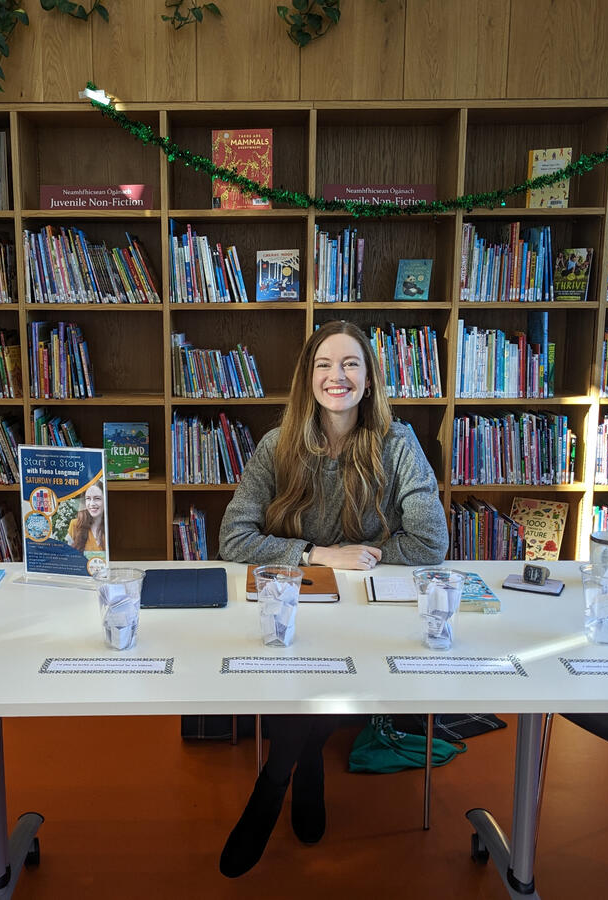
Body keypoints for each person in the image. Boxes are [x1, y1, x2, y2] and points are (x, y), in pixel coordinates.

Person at [217, 319, 449, 877]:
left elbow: (430, 541)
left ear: (368, 380)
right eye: (324, 364)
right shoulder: (278, 446)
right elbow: (232, 538)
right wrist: (319, 553)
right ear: (308, 379)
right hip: (297, 605)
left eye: (349, 364)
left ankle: (275, 780)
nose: (336, 376)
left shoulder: (398, 444)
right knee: (298, 661)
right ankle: (307, 761)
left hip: (369, 614)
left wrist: (363, 555)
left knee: (333, 669)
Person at [65, 481, 106, 551]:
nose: (92, 504)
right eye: (88, 498)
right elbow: (69, 556)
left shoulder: (111, 525)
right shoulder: (75, 525)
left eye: (97, 498)